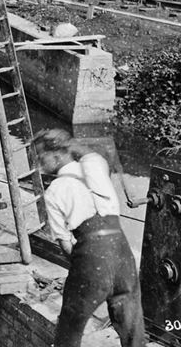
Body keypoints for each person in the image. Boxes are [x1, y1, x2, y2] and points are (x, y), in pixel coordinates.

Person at [33, 128, 145, 347]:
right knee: (132, 328)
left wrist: (83, 270)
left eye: (40, 156)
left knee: (70, 324)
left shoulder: (54, 191)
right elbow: (89, 154)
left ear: (57, 155)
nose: (37, 163)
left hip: (92, 257)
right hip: (123, 253)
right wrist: (66, 143)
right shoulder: (95, 165)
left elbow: (66, 245)